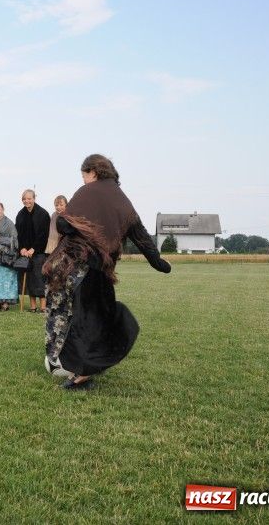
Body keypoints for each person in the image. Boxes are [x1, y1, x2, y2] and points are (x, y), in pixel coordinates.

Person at [43, 154, 171, 391]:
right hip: (99, 269)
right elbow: (140, 234)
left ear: (93, 171)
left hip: (70, 265)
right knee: (91, 316)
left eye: (83, 175)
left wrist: (68, 225)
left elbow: (64, 225)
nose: (83, 180)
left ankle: (59, 361)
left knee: (61, 311)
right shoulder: (123, 200)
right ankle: (79, 364)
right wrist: (157, 261)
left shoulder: (86, 193)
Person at [15, 189, 51, 312]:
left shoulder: (43, 214)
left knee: (39, 278)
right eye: (24, 199)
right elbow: (18, 234)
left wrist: (33, 249)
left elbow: (43, 235)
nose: (27, 201)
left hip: (39, 252)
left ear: (34, 198)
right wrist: (22, 248)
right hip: (25, 253)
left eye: (29, 198)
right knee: (29, 279)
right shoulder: (20, 214)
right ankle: (32, 307)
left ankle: (43, 307)